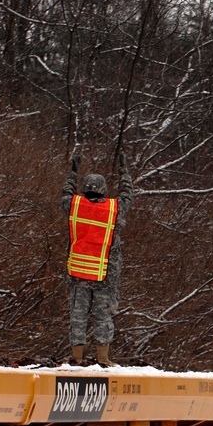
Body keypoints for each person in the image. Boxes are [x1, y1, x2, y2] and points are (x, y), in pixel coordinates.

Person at [62, 151, 135, 366]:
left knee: (78, 316)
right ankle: (103, 358)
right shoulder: (113, 209)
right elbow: (127, 194)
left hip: (78, 274)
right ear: (103, 190)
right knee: (103, 316)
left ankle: (77, 357)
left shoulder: (74, 206)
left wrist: (73, 171)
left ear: (84, 189)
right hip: (105, 276)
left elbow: (66, 192)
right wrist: (124, 171)